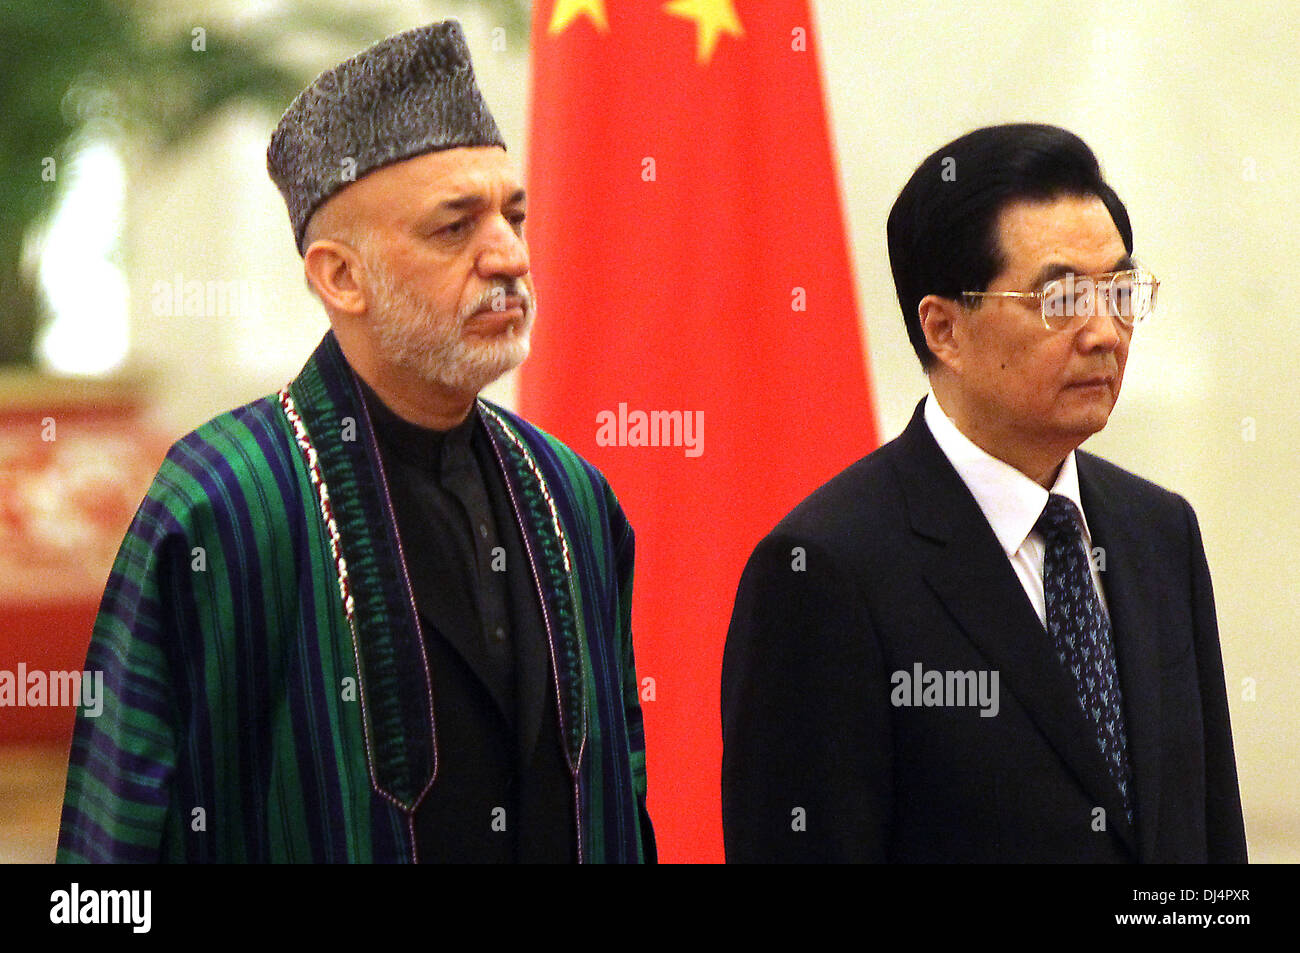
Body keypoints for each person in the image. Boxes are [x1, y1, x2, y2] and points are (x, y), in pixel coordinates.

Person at [58, 20, 654, 863]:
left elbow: (618, 796)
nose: (510, 256)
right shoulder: (228, 498)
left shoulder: (573, 497)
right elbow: (116, 837)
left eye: (513, 216)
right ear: (340, 276)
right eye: (455, 228)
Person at [721, 123, 1247, 863]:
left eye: (1121, 291)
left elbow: (1209, 837)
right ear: (944, 329)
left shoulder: (1158, 531)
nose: (1105, 333)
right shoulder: (826, 571)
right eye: (1062, 298)